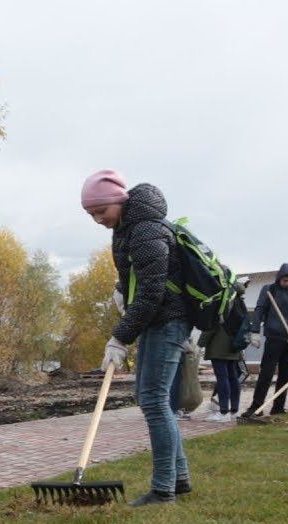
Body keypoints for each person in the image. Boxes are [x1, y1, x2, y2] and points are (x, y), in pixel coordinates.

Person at [83, 169, 191, 506]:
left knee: (156, 401)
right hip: (154, 322)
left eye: (101, 211)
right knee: (151, 400)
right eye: (91, 215)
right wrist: (120, 291)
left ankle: (163, 489)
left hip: (166, 320)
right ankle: (180, 479)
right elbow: (135, 275)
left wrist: (119, 337)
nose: (97, 219)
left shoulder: (145, 229)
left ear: (118, 200)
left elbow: (152, 293)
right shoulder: (126, 228)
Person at [240, 263, 288, 418]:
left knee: (286, 375)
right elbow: (259, 310)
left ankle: (278, 407)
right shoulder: (269, 289)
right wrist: (255, 331)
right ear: (279, 278)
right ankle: (256, 407)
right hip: (274, 338)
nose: (287, 283)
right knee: (266, 374)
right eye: (284, 280)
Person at [198, 323, 245, 421]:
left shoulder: (217, 306)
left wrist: (199, 344)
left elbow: (210, 325)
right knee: (233, 377)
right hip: (234, 345)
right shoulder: (238, 306)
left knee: (222, 378)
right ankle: (234, 411)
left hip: (218, 346)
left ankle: (223, 412)